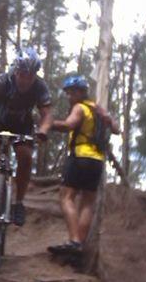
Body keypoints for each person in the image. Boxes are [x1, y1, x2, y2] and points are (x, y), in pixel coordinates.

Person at [0, 47, 53, 226]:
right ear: (16, 70)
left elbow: (47, 114)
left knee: (25, 155)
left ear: (35, 75)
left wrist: (43, 130)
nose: (26, 80)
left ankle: (18, 203)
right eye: (22, 74)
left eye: (30, 75)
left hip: (22, 123)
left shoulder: (39, 87)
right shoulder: (3, 81)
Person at [48, 75, 120, 255]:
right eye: (68, 93)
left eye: (71, 92)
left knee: (66, 197)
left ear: (80, 92)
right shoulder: (98, 110)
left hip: (80, 156)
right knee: (88, 201)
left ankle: (74, 240)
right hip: (97, 160)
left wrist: (48, 123)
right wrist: (109, 117)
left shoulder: (80, 108)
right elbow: (117, 129)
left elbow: (68, 125)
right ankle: (78, 244)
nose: (69, 96)